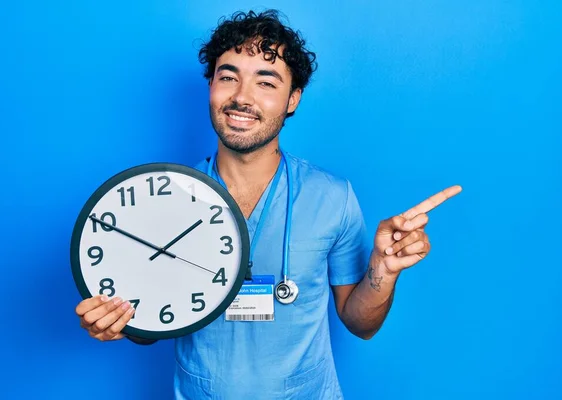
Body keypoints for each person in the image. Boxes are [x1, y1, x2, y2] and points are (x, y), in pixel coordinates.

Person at [75, 9, 461, 399]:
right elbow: (156, 318)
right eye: (228, 77)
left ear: (293, 99)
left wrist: (383, 269)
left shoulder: (333, 197)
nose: (242, 97)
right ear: (210, 86)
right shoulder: (165, 197)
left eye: (266, 82)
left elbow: (361, 323)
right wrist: (122, 322)